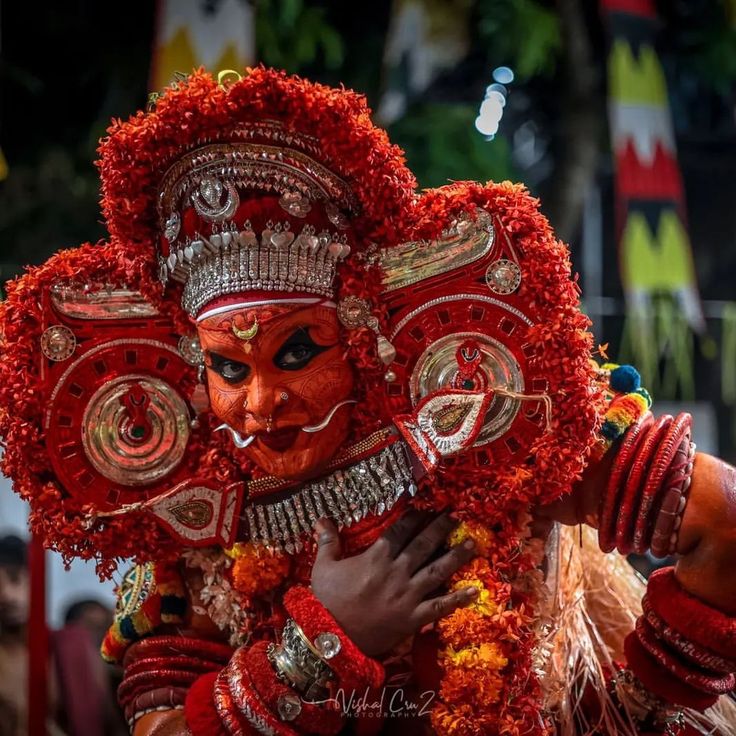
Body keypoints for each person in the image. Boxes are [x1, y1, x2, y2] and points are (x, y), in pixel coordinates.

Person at [0, 68, 735, 736]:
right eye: (228, 366)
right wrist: (327, 635)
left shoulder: (483, 419)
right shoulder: (194, 517)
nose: (259, 403)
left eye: (295, 352)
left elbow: (723, 519)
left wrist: (640, 706)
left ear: (358, 333)